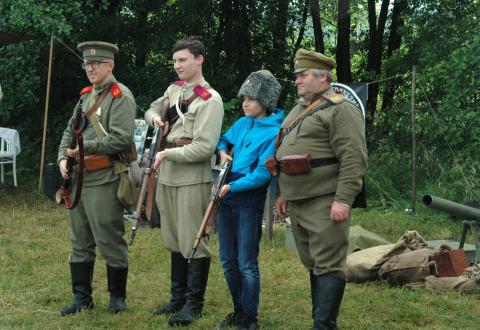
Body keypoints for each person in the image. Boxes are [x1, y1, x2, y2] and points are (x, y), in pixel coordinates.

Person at [274, 48, 367, 329]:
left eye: (303, 75)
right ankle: (322, 321)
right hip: (298, 198)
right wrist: (282, 193)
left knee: (328, 264)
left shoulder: (341, 109)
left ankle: (324, 325)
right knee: (314, 262)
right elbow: (285, 152)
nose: (297, 81)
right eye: (297, 76)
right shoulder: (299, 108)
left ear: (322, 77)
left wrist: (343, 200)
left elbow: (354, 158)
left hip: (325, 199)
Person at [144, 36, 224, 327]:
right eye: (175, 61)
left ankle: (194, 304)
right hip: (167, 176)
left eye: (183, 60)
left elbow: (204, 148)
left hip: (191, 178)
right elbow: (151, 109)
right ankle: (177, 300)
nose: (177, 66)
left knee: (193, 241)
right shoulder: (173, 90)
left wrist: (167, 154)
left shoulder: (210, 100)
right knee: (173, 239)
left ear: (199, 59)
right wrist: (155, 119)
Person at [57, 41, 136, 315]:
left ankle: (117, 297)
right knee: (79, 239)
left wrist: (85, 148)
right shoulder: (85, 96)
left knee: (109, 237)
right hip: (78, 179)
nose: (90, 68)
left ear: (110, 65)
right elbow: (69, 131)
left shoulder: (120, 95)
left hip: (104, 177)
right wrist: (62, 159)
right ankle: (82, 298)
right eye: (87, 64)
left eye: (96, 64)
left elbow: (122, 138)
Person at [216, 70, 284, 330]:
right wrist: (222, 152)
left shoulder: (275, 131)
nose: (245, 103)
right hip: (227, 192)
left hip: (246, 198)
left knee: (246, 263)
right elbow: (223, 140)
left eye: (251, 99)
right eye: (243, 98)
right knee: (227, 261)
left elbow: (261, 174)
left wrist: (232, 187)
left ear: (266, 102)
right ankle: (238, 310)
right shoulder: (243, 123)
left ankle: (249, 318)